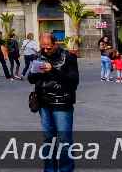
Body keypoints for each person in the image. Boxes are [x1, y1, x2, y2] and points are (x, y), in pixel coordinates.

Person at [27, 33, 79, 172]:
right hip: (44, 103)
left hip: (62, 103)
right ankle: (49, 169)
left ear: (56, 44)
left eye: (48, 47)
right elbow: (31, 78)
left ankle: (65, 169)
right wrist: (37, 71)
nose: (45, 50)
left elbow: (73, 81)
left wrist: (53, 70)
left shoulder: (68, 57)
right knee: (48, 139)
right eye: (43, 47)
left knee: (64, 140)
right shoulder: (38, 56)